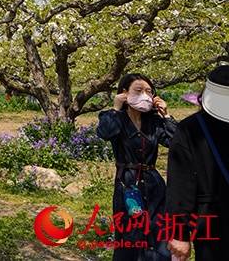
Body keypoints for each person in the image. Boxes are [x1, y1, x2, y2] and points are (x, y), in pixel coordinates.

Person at [97, 73, 178, 260]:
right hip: (128, 184)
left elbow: (176, 142)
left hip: (154, 183)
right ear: (125, 93)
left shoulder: (154, 122)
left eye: (149, 92)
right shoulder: (115, 117)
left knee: (158, 232)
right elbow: (105, 132)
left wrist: (166, 115)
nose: (144, 95)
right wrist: (116, 108)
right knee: (130, 235)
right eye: (138, 90)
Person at [165, 65, 229, 261]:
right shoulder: (191, 130)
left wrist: (179, 234)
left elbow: (181, 186)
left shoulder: (190, 128)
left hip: (213, 221)